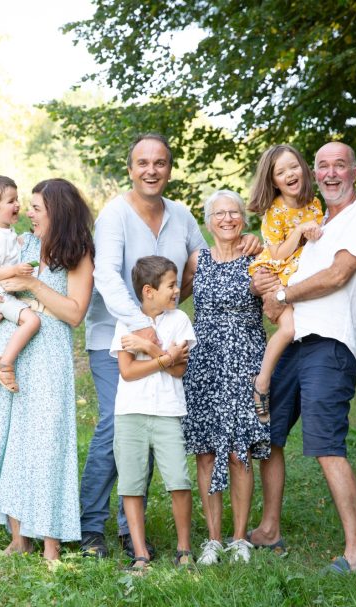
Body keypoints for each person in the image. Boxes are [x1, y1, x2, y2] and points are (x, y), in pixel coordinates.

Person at [80, 132, 262, 558]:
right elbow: (106, 277)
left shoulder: (181, 216)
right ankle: (90, 526)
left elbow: (209, 262)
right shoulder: (114, 215)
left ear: (169, 170)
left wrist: (248, 242)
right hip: (116, 337)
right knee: (116, 425)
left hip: (167, 341)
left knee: (152, 424)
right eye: (143, 163)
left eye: (159, 163)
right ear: (131, 169)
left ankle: (131, 531)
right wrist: (142, 326)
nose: (151, 170)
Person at [249, 141, 356, 574]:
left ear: (355, 172)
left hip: (332, 342)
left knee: (326, 444)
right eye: (323, 166)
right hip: (295, 341)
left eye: (340, 165)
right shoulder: (317, 222)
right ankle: (269, 529)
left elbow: (337, 275)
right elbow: (278, 268)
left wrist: (280, 294)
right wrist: (265, 283)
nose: (331, 173)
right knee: (269, 433)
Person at [0, 178, 94, 563]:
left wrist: (33, 284)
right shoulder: (22, 243)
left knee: (47, 443)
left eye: (37, 208)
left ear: (58, 211)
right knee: (12, 442)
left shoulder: (78, 252)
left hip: (50, 349)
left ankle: (51, 543)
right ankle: (18, 538)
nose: (29, 213)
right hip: (13, 346)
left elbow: (74, 313)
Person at [182, 190, 271, 565]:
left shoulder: (257, 257)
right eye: (219, 213)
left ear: (244, 219)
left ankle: (239, 539)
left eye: (234, 212)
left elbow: (275, 301)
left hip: (246, 362)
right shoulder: (196, 259)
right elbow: (169, 297)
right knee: (205, 452)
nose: (227, 218)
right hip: (204, 364)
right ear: (208, 221)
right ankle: (213, 540)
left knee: (239, 451)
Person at [111, 256, 196, 573]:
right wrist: (165, 356)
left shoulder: (179, 320)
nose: (176, 290)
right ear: (149, 291)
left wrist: (149, 349)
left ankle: (184, 550)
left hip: (167, 412)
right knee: (131, 484)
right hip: (130, 413)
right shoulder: (126, 322)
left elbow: (178, 370)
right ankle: (140, 553)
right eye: (171, 285)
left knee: (178, 481)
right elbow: (128, 372)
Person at [247, 145, 324, 422]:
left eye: (293, 167)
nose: (289, 174)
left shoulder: (314, 203)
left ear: (303, 169)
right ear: (273, 181)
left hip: (298, 274)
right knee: (289, 329)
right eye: (281, 172)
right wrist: (300, 230)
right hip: (276, 273)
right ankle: (262, 383)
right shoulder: (275, 211)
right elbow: (278, 253)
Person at [0, 175, 41, 393]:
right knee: (32, 321)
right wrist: (15, 270)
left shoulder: (6, 232)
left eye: (17, 199)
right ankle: (4, 364)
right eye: (11, 201)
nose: (17, 205)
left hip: (1, 291)